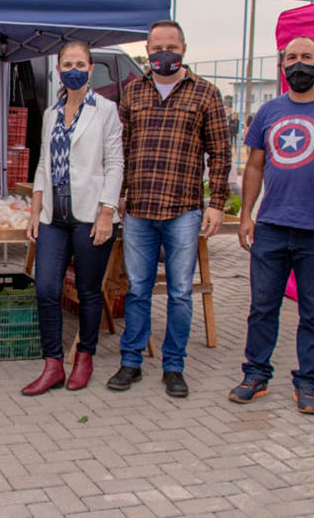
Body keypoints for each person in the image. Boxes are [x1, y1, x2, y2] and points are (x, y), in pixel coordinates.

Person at [229, 36, 314, 415]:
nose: (299, 63)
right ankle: (255, 374)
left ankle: (307, 381)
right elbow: (254, 166)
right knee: (262, 308)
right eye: (292, 57)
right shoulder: (269, 111)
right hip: (272, 226)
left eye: (307, 57)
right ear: (283, 65)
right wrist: (246, 216)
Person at [110, 20, 231, 398]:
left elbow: (221, 153)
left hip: (183, 209)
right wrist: (119, 193)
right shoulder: (132, 93)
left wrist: (217, 205)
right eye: (157, 47)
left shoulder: (205, 94)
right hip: (140, 209)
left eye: (172, 47)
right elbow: (122, 150)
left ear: (184, 49)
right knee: (137, 289)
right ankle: (131, 361)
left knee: (180, 292)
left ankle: (174, 366)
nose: (165, 53)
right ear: (146, 51)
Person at [22, 41, 123, 396]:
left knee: (87, 291)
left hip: (90, 215)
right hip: (54, 215)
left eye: (80, 63)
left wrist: (107, 211)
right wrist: (35, 211)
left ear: (91, 69)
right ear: (58, 70)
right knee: (46, 287)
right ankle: (52, 364)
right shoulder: (51, 112)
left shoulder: (106, 110)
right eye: (67, 63)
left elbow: (115, 163)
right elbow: (42, 165)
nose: (74, 69)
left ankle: (84, 356)